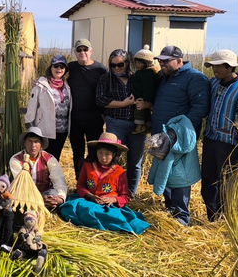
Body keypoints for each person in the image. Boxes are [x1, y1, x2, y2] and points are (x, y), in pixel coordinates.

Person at [139, 45, 210, 225]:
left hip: (178, 138)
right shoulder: (165, 77)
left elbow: (199, 108)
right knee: (165, 172)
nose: (161, 63)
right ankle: (170, 209)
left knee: (179, 175)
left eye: (166, 60)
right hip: (161, 134)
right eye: (160, 60)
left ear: (179, 61)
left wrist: (176, 132)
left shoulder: (195, 78)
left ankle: (181, 217)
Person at [56, 132, 151, 234]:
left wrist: (113, 199)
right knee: (77, 208)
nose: (103, 158)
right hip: (88, 201)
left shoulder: (119, 172)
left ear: (114, 154)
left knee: (113, 216)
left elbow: (125, 196)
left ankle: (99, 222)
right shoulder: (87, 166)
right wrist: (92, 196)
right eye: (100, 153)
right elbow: (80, 186)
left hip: (108, 207)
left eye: (107, 154)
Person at [201, 49, 238, 222]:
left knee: (227, 182)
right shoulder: (213, 83)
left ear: (230, 67)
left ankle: (226, 218)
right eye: (213, 66)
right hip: (210, 139)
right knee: (208, 180)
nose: (214, 70)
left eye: (218, 66)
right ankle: (212, 216)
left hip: (229, 143)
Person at [95, 49, 147, 196]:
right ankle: (111, 191)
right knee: (113, 159)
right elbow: (100, 100)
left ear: (127, 63)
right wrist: (122, 104)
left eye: (120, 64)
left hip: (137, 125)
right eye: (113, 65)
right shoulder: (105, 79)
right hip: (115, 123)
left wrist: (145, 104)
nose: (117, 68)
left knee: (135, 162)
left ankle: (130, 194)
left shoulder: (136, 77)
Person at [66, 39, 108, 179]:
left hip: (94, 119)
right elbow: (54, 75)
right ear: (75, 52)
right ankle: (80, 181)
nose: (82, 52)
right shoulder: (70, 68)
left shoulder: (100, 69)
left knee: (94, 152)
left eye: (85, 49)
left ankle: (93, 181)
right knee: (77, 153)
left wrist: (104, 115)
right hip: (75, 119)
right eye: (79, 50)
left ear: (91, 51)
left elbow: (107, 91)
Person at [25, 54, 73, 161]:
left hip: (62, 131)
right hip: (45, 130)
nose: (59, 69)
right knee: (42, 159)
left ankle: (52, 178)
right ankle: (42, 177)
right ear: (51, 68)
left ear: (65, 69)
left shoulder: (67, 85)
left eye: (62, 66)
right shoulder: (41, 84)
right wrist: (29, 123)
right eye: (56, 66)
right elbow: (32, 105)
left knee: (55, 159)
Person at [9, 127, 68, 212]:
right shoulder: (16, 160)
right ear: (25, 143)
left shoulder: (49, 159)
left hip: (46, 193)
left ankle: (42, 206)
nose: (33, 145)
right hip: (25, 195)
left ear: (41, 144)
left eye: (36, 142)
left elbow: (59, 180)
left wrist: (60, 199)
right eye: (30, 141)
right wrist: (39, 198)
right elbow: (21, 185)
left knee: (52, 196)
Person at [131, 47, 160, 135]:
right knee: (145, 112)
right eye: (136, 62)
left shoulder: (147, 74)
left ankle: (140, 126)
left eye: (139, 63)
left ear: (146, 63)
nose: (137, 65)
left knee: (139, 110)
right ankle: (147, 125)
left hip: (142, 97)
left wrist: (146, 99)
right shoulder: (142, 72)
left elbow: (149, 87)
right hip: (142, 95)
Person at [0, 175, 14, 251]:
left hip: (9, 212)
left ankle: (7, 244)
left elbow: (8, 201)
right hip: (1, 212)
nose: (0, 188)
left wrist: (2, 206)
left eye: (2, 186)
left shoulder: (8, 194)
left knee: (8, 227)